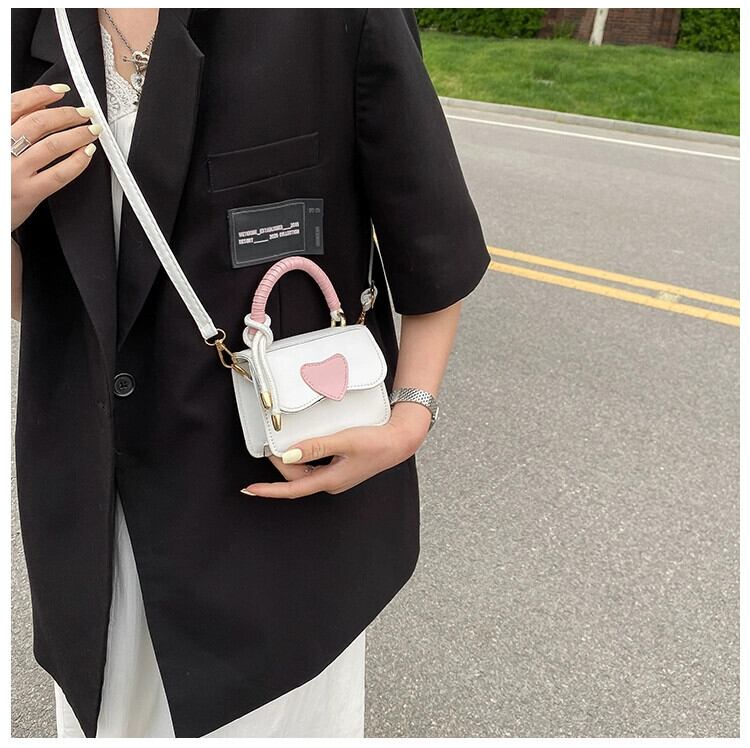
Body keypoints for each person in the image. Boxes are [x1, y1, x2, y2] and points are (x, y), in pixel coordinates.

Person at [11, 8, 491, 738]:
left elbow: (433, 242)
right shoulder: (27, 26)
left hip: (273, 537)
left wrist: (410, 416)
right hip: (95, 528)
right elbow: (43, 301)